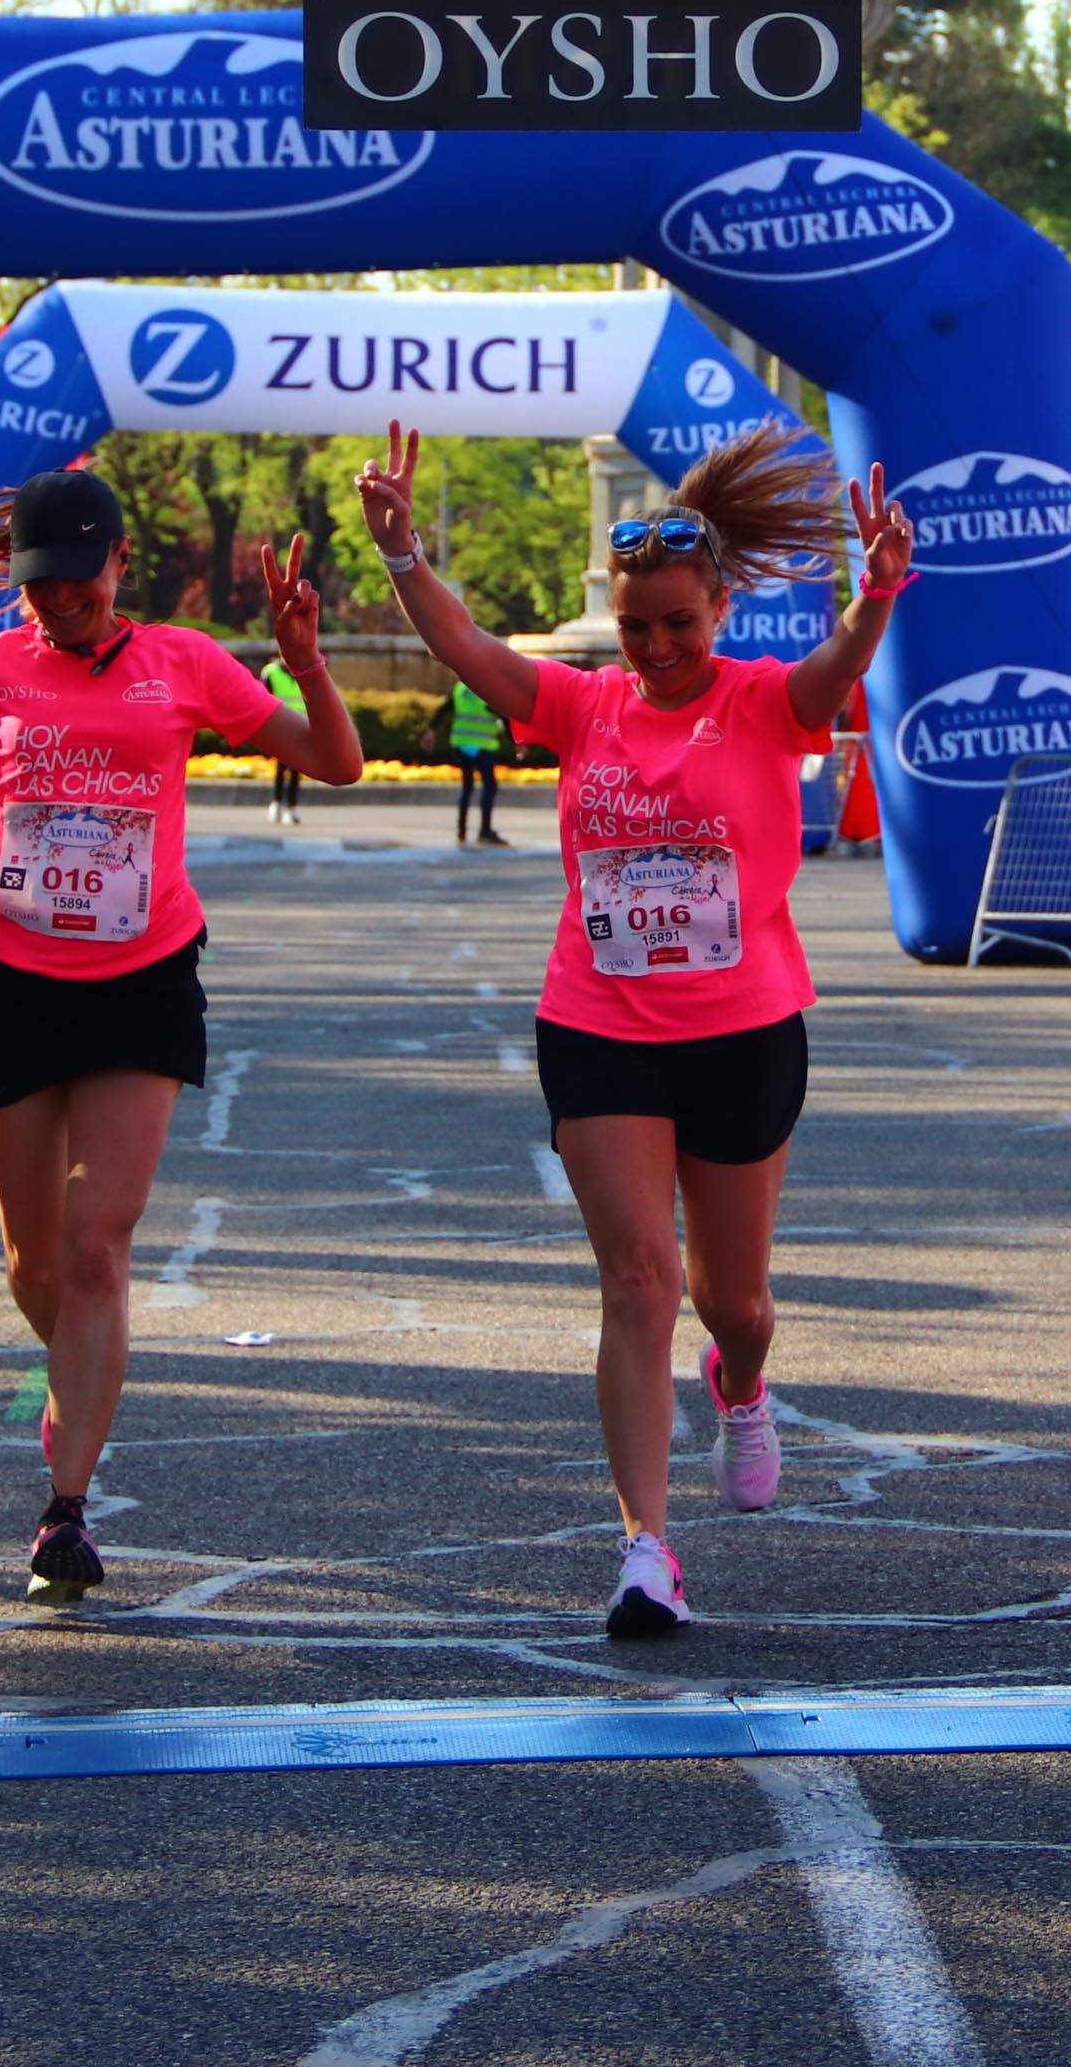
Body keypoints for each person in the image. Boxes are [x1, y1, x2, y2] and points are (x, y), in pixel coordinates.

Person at [355, 417, 908, 1641]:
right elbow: (465, 646)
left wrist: (873, 598)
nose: (656, 647)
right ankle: (645, 1549)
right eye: (637, 624)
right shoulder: (585, 707)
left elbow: (837, 671)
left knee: (735, 1300)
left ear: (719, 609)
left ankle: (745, 1383)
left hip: (743, 1028)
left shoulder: (769, 702)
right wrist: (402, 554)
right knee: (637, 1281)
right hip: (599, 1020)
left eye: (679, 623)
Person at [0, 468, 366, 1608]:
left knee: (99, 1244)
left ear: (119, 563)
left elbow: (337, 762)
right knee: (34, 1261)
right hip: (14, 973)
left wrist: (301, 658)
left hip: (142, 977)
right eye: (39, 588)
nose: (60, 608)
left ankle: (66, 1507)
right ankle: (80, 1367)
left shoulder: (184, 660)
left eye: (79, 586)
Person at [447, 679, 511, 847]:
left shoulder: (460, 687)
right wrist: (516, 741)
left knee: (467, 786)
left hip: (461, 743)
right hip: (481, 744)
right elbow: (500, 713)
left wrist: (432, 730)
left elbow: (445, 708)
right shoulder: (486, 686)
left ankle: (461, 830)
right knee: (490, 786)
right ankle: (485, 830)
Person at [261, 648, 307, 826]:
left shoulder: (304, 671)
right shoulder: (271, 672)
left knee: (296, 769)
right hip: (280, 727)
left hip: (302, 726)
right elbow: (263, 697)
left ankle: (291, 807)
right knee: (282, 766)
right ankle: (277, 803)